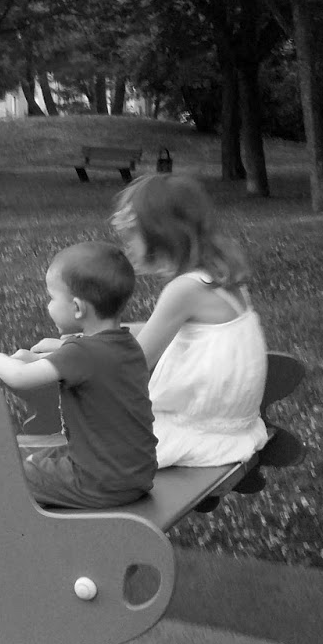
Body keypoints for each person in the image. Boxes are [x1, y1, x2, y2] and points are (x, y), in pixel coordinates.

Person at [0, 242, 158, 509]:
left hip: (96, 482)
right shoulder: (126, 345)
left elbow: (20, 377)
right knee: (37, 456)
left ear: (78, 308)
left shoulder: (81, 353)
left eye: (52, 298)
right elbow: (82, 365)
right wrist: (40, 359)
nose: (48, 305)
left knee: (1, 474)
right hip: (134, 475)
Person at [108, 173, 269, 469]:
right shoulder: (220, 280)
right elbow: (160, 331)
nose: (127, 248)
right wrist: (99, 335)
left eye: (132, 237)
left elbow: (134, 361)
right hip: (231, 428)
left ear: (162, 235)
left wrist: (77, 354)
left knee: (97, 440)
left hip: (194, 433)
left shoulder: (184, 290)